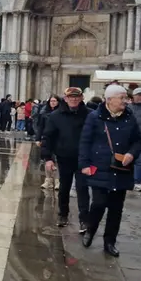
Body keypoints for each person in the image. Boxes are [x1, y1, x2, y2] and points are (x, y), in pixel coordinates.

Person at [78, 84, 141, 257]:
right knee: (98, 203)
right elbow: (85, 141)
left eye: (125, 97)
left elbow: (138, 141)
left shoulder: (130, 117)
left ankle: (110, 241)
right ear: (109, 100)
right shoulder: (94, 117)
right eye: (121, 98)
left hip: (121, 168)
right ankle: (90, 230)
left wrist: (131, 153)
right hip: (99, 167)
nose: (125, 101)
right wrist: (84, 164)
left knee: (116, 208)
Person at [42, 87, 92, 231]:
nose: (74, 99)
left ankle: (84, 219)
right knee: (64, 187)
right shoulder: (56, 116)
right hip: (64, 157)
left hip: (84, 158)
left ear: (82, 98)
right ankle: (63, 214)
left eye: (77, 97)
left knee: (83, 188)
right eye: (71, 97)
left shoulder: (90, 115)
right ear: (65, 98)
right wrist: (48, 158)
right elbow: (48, 137)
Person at [35, 95, 61, 189]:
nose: (53, 103)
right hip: (47, 139)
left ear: (58, 102)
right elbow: (40, 127)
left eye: (54, 101)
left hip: (59, 139)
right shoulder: (44, 113)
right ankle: (48, 180)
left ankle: (58, 181)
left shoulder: (61, 113)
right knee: (47, 159)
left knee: (58, 161)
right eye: (51, 101)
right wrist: (38, 138)